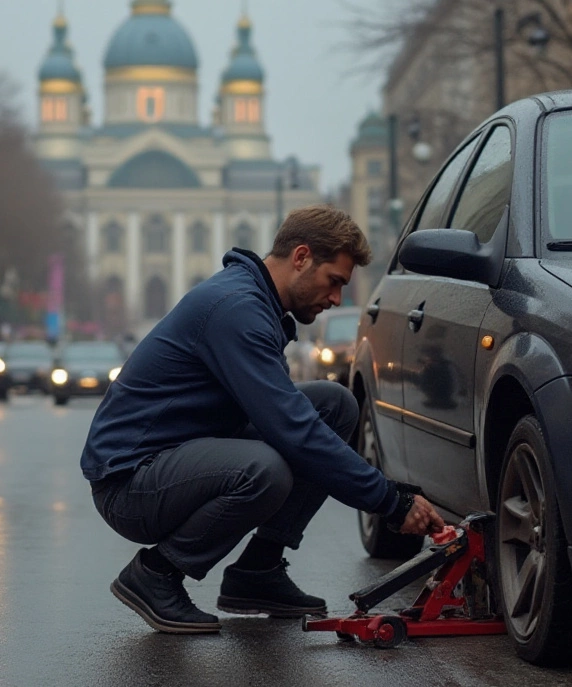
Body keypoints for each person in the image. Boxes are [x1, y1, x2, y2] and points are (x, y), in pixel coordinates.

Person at [82, 205, 444, 635]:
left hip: (177, 457)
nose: (335, 300)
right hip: (130, 483)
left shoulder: (253, 302)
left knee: (334, 405)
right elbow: (292, 430)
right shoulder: (238, 309)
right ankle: (155, 574)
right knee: (264, 470)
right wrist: (390, 500)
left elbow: (298, 422)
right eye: (334, 282)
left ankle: (259, 570)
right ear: (301, 257)